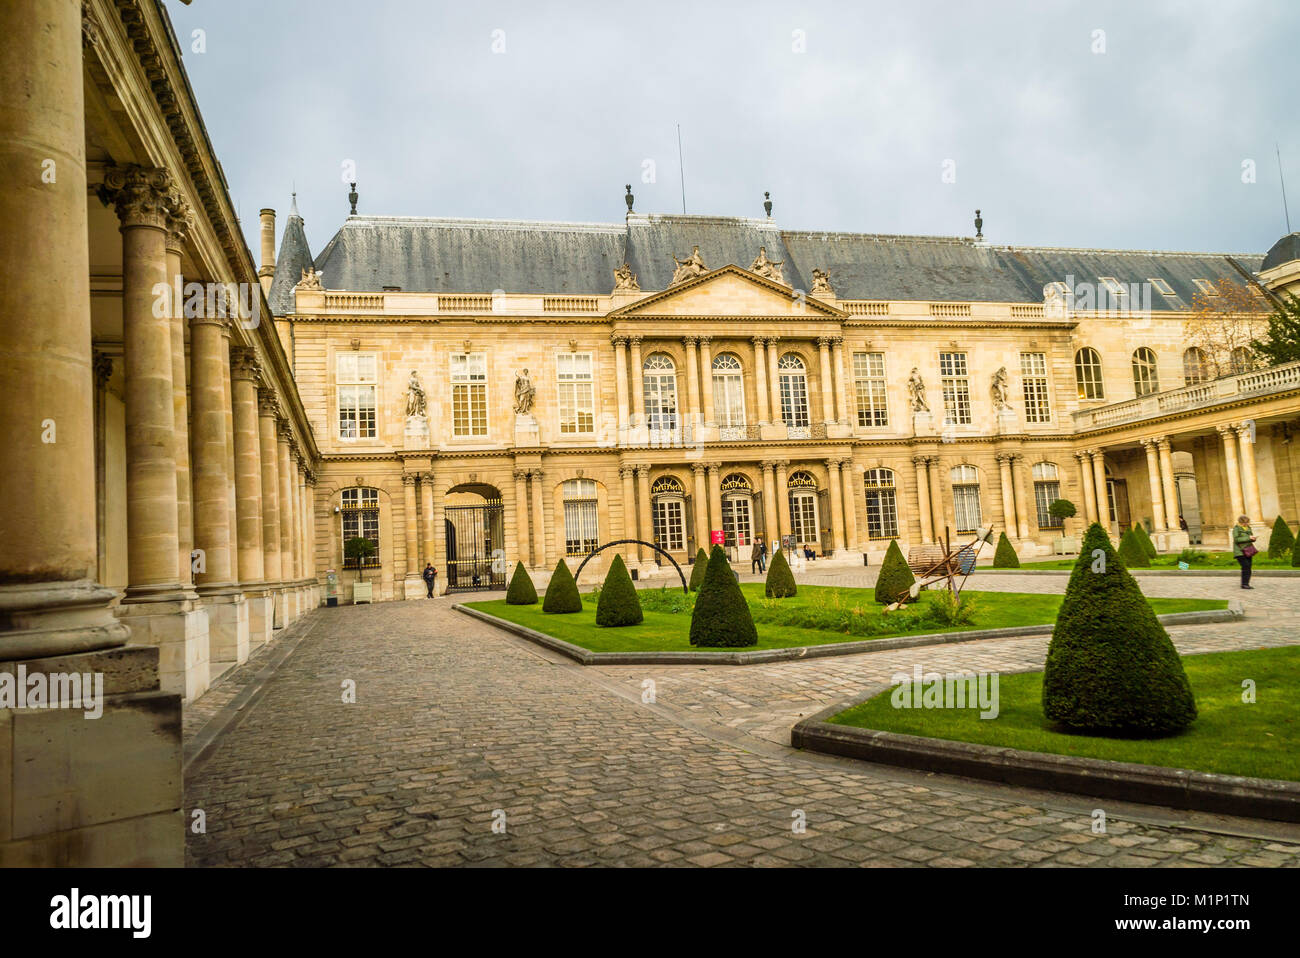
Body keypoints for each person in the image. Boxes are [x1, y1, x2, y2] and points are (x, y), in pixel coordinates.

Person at [1231, 515, 1256, 590]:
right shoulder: (1236, 529)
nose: (1248, 523)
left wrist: (1253, 539)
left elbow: (1249, 538)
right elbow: (1236, 539)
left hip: (1248, 550)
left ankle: (1246, 583)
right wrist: (1248, 538)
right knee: (1246, 566)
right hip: (1240, 551)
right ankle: (1244, 584)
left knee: (1249, 567)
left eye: (1248, 522)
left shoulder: (1248, 528)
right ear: (1242, 522)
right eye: (1246, 522)